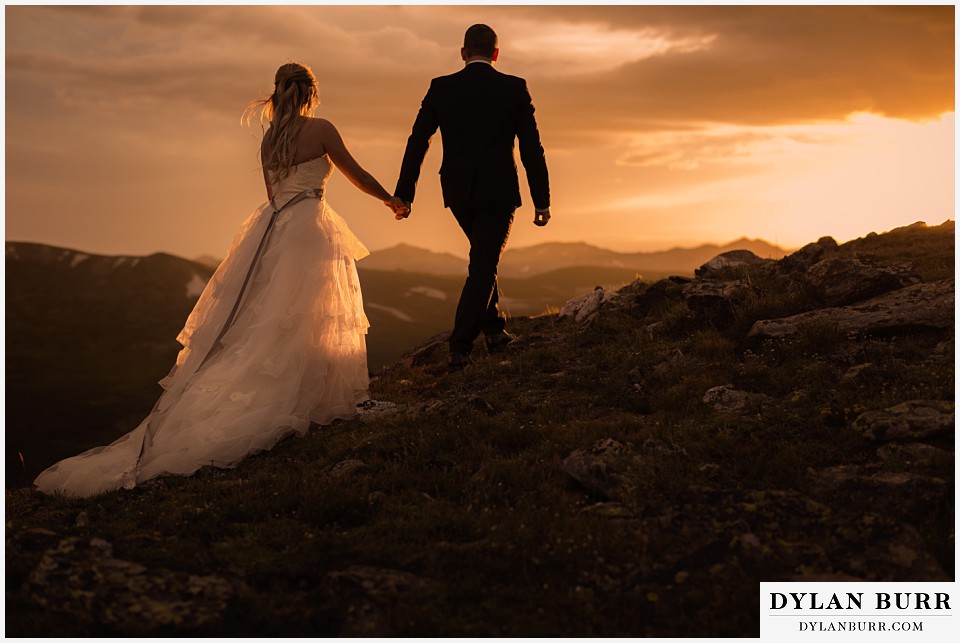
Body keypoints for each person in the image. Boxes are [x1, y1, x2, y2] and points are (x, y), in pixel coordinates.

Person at [34, 62, 407, 497]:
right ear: (311, 93)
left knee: (273, 316)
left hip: (276, 226)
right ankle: (331, 398)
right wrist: (391, 200)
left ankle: (307, 396)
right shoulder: (322, 127)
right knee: (315, 311)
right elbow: (356, 174)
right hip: (308, 225)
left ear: (278, 92)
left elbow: (272, 195)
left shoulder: (269, 139)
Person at [395, 23, 551, 371]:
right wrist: (542, 199)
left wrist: (405, 193)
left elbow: (418, 141)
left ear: (463, 53)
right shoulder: (514, 88)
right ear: (496, 54)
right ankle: (460, 347)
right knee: (483, 265)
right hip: (498, 191)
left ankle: (495, 332)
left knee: (483, 258)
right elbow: (531, 149)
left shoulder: (441, 88)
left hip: (457, 192)